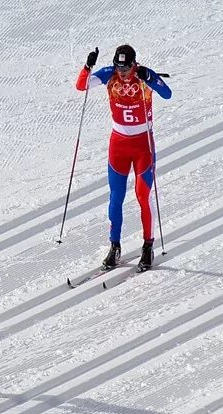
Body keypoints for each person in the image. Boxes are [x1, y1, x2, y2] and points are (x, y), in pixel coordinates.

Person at [76, 44, 172, 271]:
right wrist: (88, 66)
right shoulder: (110, 75)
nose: (123, 72)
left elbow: (167, 94)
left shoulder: (143, 75)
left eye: (126, 68)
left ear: (134, 64)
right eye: (119, 68)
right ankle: (114, 246)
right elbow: (81, 86)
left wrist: (150, 77)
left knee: (142, 195)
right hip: (118, 145)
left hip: (142, 146)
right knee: (116, 197)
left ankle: (148, 246)